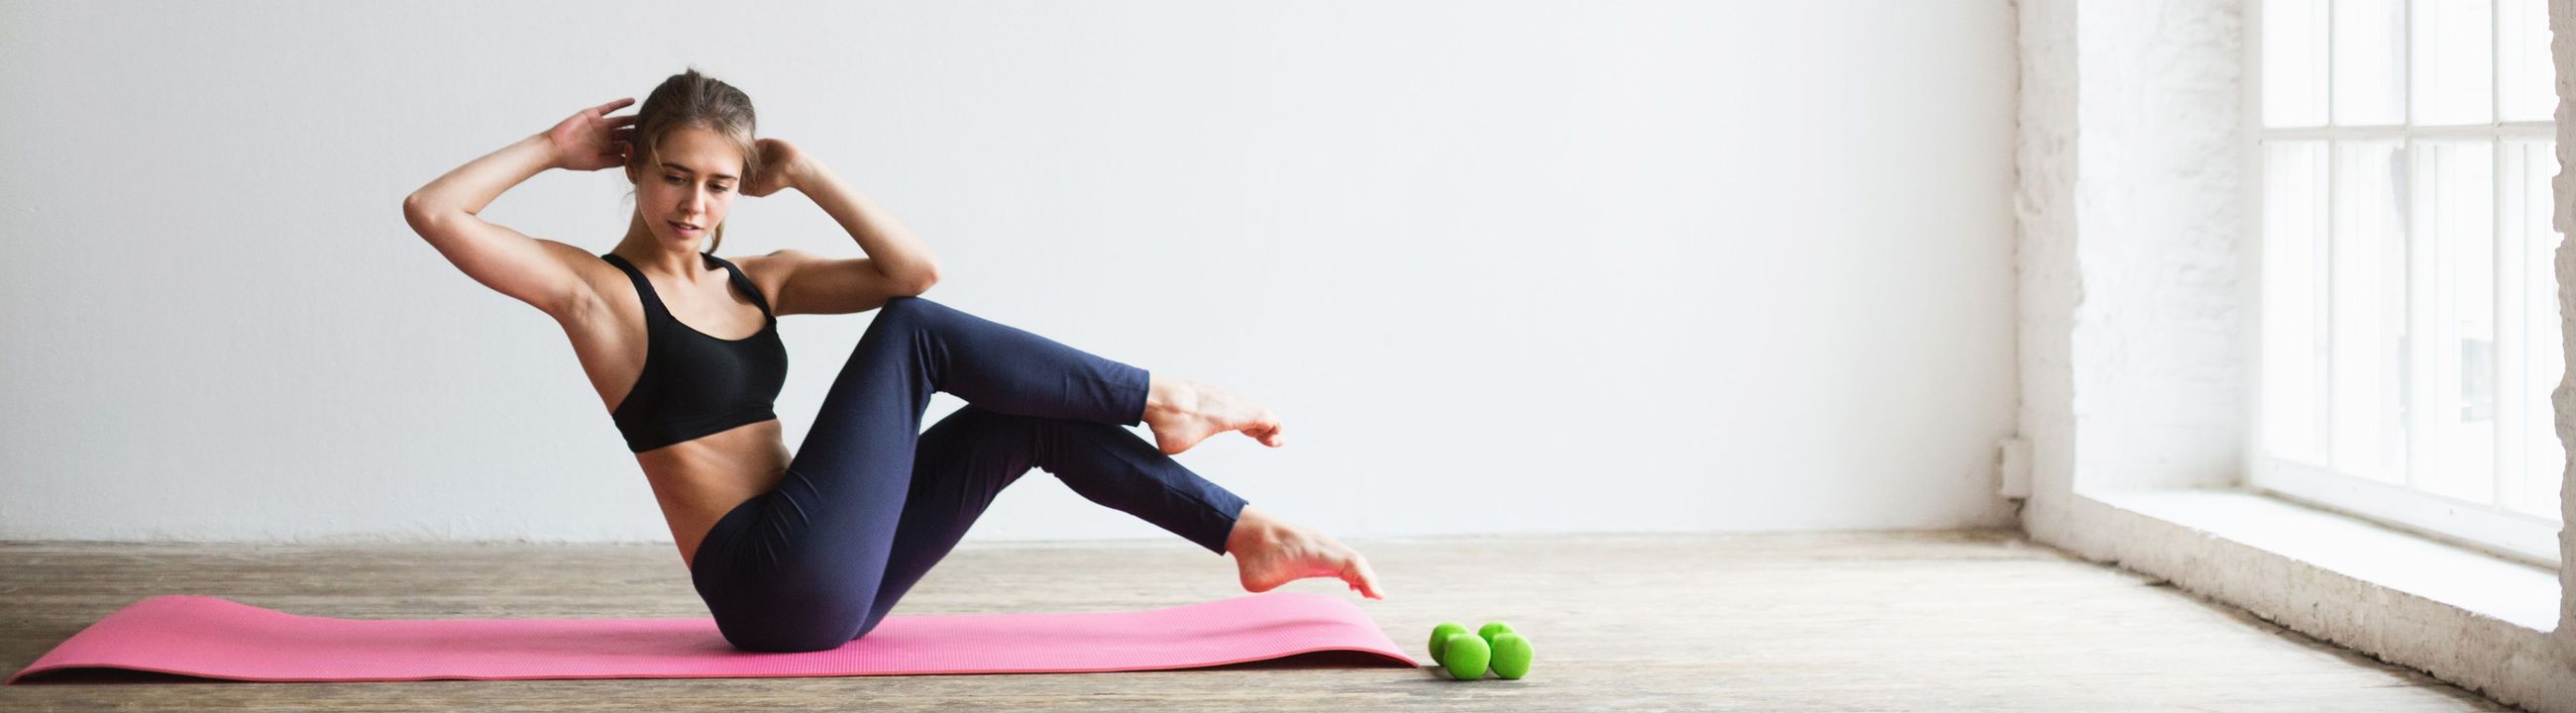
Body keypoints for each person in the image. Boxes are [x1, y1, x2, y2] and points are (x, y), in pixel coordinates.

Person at [400, 67, 1386, 653]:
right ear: (634, 169)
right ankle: (1161, 394)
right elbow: (434, 212)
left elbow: (912, 268)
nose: (694, 205)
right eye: (672, 176)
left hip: (836, 583)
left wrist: (812, 173)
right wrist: (549, 143)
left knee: (1024, 415)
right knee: (915, 339)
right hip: (764, 582)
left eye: (718, 183)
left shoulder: (759, 280)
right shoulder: (599, 295)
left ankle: (1243, 533)